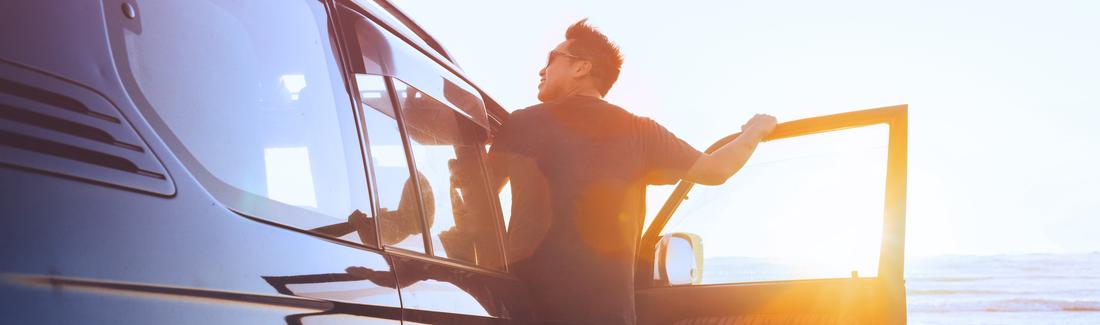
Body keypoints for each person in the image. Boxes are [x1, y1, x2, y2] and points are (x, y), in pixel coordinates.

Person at [486, 19, 778, 325]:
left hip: (521, 313)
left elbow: (475, 201)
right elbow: (717, 170)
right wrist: (754, 132)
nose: (542, 70)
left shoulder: (520, 125)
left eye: (551, 59)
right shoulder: (641, 132)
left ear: (581, 68)